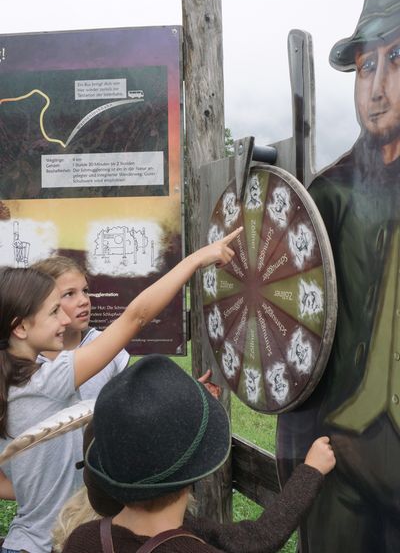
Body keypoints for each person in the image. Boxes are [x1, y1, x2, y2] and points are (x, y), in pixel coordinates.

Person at [0, 227, 241, 553]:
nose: (63, 320)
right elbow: (136, 317)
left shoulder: (11, 382)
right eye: (54, 311)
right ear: (20, 327)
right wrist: (196, 259)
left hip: (22, 543)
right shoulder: (47, 380)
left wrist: (36, 489)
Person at [277, 0, 400, 552]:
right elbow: (291, 328)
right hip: (336, 454)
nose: (377, 87)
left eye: (397, 60)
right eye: (366, 65)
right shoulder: (326, 196)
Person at [62, 355, 336, 553]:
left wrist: (179, 410)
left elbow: (256, 538)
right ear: (199, 461)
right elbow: (259, 538)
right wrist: (311, 471)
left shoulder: (82, 540)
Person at [32, 256, 130, 400]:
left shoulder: (106, 345)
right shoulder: (27, 359)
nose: (84, 301)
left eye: (85, 291)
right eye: (69, 294)